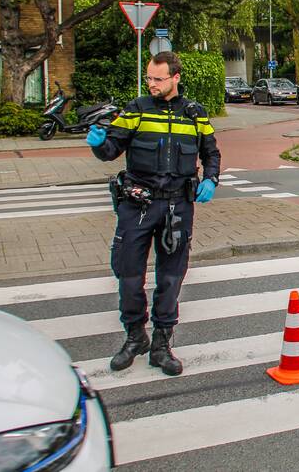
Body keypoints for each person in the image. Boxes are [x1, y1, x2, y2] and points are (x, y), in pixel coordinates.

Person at [86, 51, 221, 376]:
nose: (152, 84)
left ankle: (161, 344)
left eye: (158, 79)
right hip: (138, 205)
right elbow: (110, 151)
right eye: (149, 78)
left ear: (175, 78)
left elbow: (211, 151)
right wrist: (98, 143)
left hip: (178, 206)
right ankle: (135, 336)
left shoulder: (195, 113)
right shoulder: (136, 109)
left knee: (171, 277)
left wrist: (211, 179)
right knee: (128, 273)